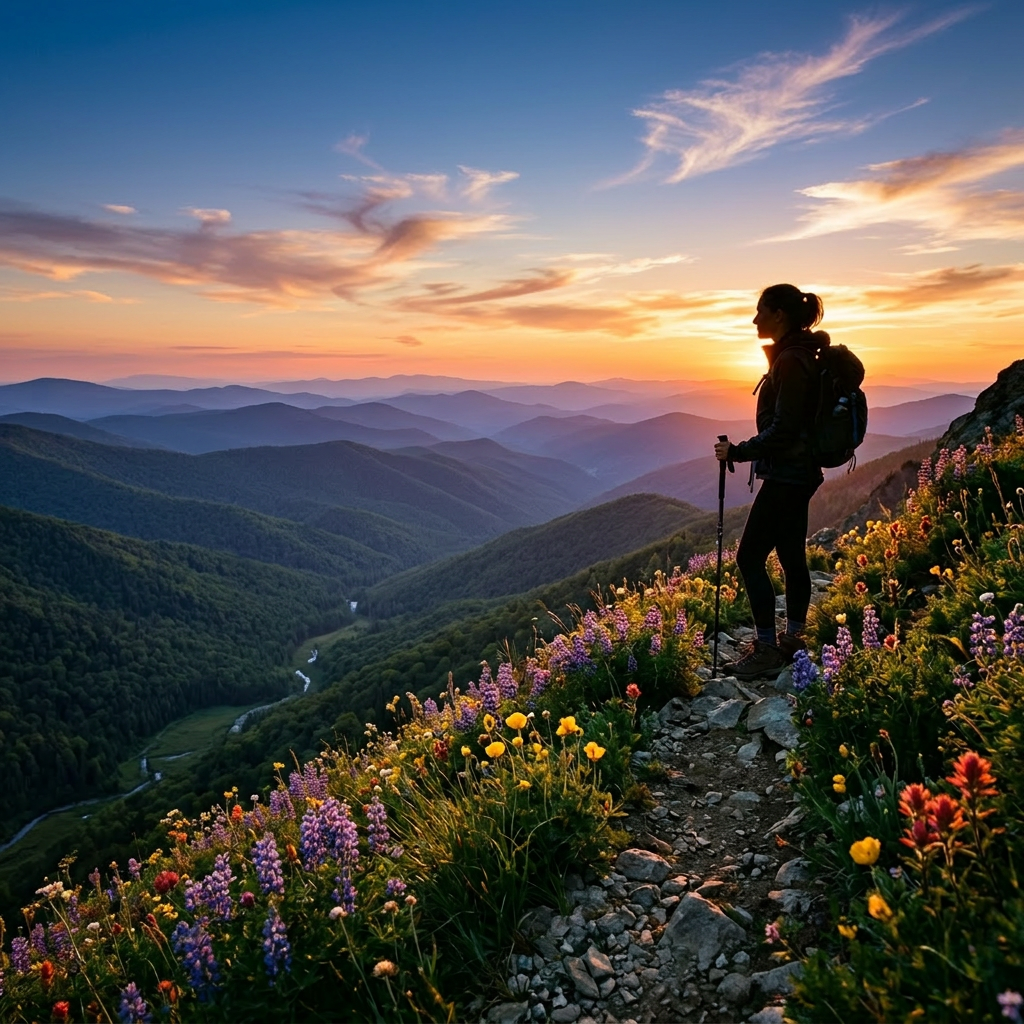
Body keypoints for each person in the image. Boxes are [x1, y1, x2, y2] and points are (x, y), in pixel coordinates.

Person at [714, 283, 828, 681]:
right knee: (791, 555)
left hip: (787, 474)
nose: (754, 318)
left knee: (749, 557)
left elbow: (785, 429)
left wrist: (738, 451)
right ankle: (793, 638)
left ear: (779, 314)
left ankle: (765, 648)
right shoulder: (797, 355)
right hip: (799, 473)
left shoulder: (791, 361)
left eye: (760, 311)